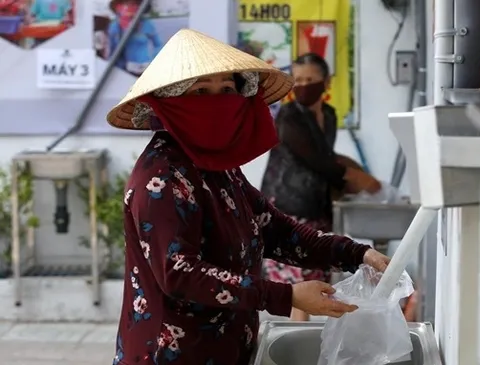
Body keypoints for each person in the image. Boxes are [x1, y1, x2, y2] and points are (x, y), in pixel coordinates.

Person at [106, 29, 391, 365]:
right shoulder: (161, 177)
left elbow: (278, 231)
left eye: (227, 89)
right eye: (200, 91)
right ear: (170, 101)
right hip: (171, 355)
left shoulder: (218, 167)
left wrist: (356, 253)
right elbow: (179, 273)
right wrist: (284, 296)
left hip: (228, 348)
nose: (217, 100)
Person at [260, 53, 381, 321]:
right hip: (288, 206)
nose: (303, 86)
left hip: (318, 205)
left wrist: (353, 176)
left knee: (317, 279)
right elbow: (318, 161)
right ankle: (296, 343)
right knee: (299, 288)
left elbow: (327, 155)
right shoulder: (289, 118)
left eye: (310, 80)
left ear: (326, 82)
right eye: (298, 79)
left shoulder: (328, 114)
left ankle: (303, 341)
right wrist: (356, 178)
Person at [107, 0, 161, 76]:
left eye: (135, 4)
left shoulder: (147, 24)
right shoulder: (114, 27)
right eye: (127, 4)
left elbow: (159, 45)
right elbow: (111, 52)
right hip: (123, 71)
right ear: (119, 7)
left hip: (145, 70)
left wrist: (152, 61)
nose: (130, 7)